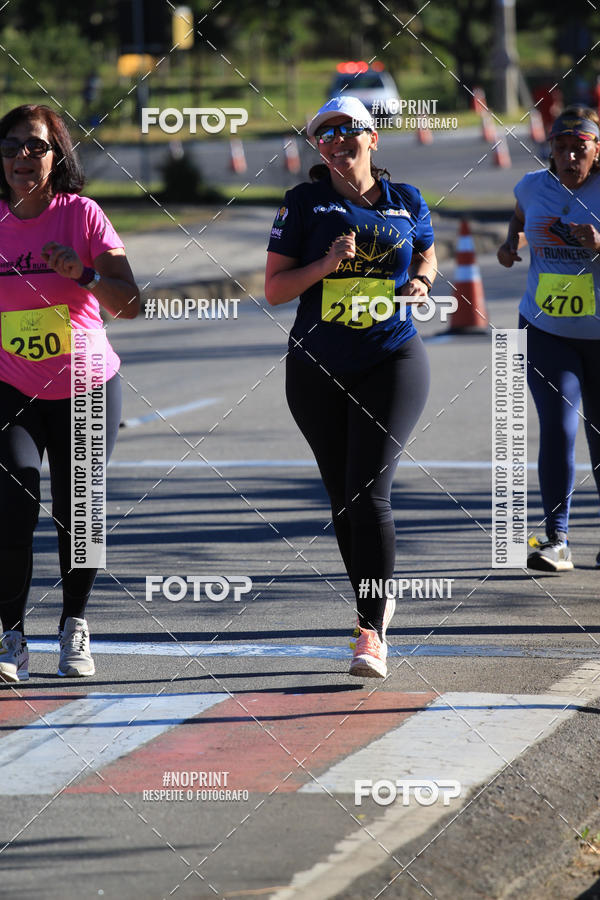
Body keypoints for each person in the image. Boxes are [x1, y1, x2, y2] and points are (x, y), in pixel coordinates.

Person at [265, 96, 436, 677]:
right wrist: (326, 265)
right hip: (317, 368)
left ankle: (371, 631)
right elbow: (276, 289)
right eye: (325, 137)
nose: (337, 144)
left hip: (392, 358)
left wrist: (419, 281)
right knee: (343, 498)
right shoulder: (304, 204)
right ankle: (374, 596)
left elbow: (429, 259)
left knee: (370, 492)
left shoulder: (406, 201)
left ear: (372, 139)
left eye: (348, 133)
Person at [0, 104, 140, 682]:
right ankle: (10, 636)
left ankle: (73, 624)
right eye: (10, 147)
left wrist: (82, 275)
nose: (21, 159)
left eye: (35, 147)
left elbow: (131, 303)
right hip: (12, 388)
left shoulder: (81, 216)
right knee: (12, 503)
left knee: (77, 516)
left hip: (86, 388)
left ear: (57, 156)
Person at [498, 105, 600, 572]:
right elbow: (521, 215)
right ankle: (555, 541)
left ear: (596, 150)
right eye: (560, 147)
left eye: (579, 147)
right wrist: (509, 242)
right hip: (545, 329)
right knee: (558, 429)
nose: (569, 156)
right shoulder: (532, 185)